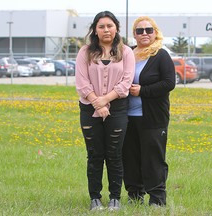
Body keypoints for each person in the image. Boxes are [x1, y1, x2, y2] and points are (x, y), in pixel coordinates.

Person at [75, 11, 135, 211]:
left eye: (109, 25)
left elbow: (126, 82)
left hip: (117, 108)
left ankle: (115, 198)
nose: (106, 30)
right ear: (95, 29)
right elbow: (81, 82)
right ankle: (95, 199)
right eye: (101, 26)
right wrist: (96, 103)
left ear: (116, 27)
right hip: (89, 108)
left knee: (114, 154)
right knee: (94, 155)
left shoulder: (126, 52)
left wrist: (105, 101)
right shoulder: (85, 52)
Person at [122, 16, 176, 207]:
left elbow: (169, 83)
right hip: (127, 117)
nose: (144, 34)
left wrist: (142, 91)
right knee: (130, 158)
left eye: (148, 30)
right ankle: (134, 196)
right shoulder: (127, 53)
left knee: (153, 158)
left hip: (153, 118)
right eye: (139, 30)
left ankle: (157, 199)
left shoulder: (161, 55)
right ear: (134, 34)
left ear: (155, 33)